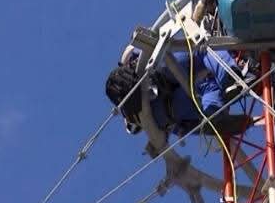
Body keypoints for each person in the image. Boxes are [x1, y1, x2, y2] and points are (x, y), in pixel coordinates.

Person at [105, 46, 250, 137]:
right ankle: (230, 78)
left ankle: (214, 118)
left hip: (168, 111)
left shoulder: (136, 114)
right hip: (162, 68)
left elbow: (181, 129)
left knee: (206, 98)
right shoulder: (134, 56)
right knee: (205, 48)